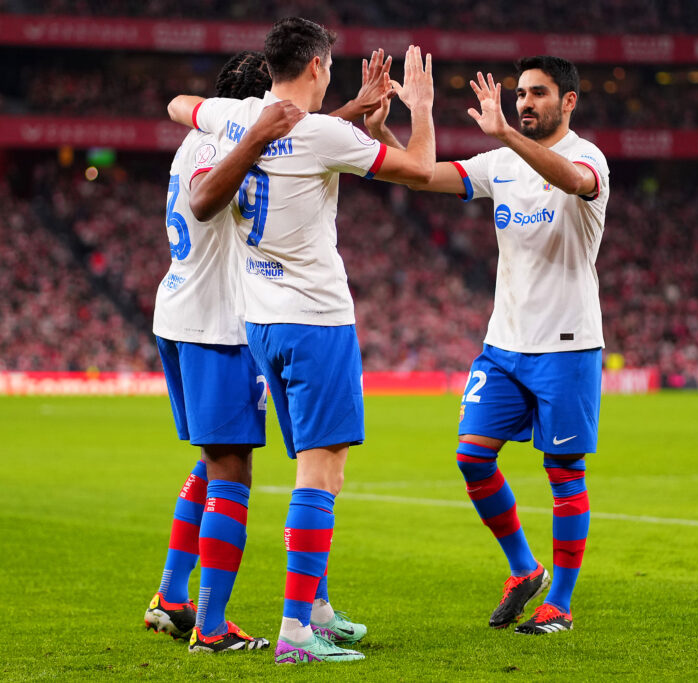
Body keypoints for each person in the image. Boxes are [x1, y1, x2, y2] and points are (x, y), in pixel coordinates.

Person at [166, 16, 435, 664]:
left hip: (260, 323)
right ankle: (295, 629)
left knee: (302, 464)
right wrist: (417, 108)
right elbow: (423, 168)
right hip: (316, 320)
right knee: (324, 469)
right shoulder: (320, 134)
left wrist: (351, 116)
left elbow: (181, 105)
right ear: (316, 66)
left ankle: (309, 605)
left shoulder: (231, 120)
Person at [366, 56, 609, 634]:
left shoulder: (587, 157)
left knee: (563, 473)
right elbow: (422, 176)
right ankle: (525, 569)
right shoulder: (498, 163)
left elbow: (574, 183)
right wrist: (386, 131)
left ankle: (563, 604)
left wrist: (502, 133)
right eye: (520, 94)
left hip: (567, 343)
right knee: (472, 456)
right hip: (503, 344)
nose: (524, 103)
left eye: (538, 94)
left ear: (568, 101)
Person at [145, 50, 302, 654]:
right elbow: (215, 192)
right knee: (233, 468)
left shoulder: (199, 139)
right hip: (216, 326)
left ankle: (173, 598)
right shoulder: (225, 146)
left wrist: (347, 114)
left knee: (212, 462)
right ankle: (210, 627)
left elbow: (279, 145)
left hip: (181, 311)